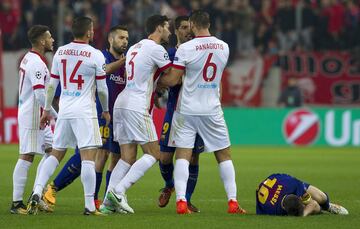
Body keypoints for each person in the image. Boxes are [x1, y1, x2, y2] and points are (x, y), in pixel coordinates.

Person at [159, 10, 246, 214]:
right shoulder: (224, 47)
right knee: (223, 154)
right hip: (212, 109)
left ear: (192, 24)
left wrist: (155, 83)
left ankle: (181, 201)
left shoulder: (186, 48)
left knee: (182, 154)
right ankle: (232, 202)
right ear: (209, 24)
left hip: (187, 109)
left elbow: (173, 79)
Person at [27, 16, 110, 216]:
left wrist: (47, 109)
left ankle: (37, 191)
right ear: (89, 32)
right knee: (89, 157)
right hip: (85, 112)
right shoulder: (95, 55)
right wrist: (106, 110)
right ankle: (90, 206)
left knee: (56, 154)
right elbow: (102, 90)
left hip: (65, 109)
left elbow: (52, 85)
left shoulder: (60, 52)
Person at [43, 25, 129, 210]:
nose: (125, 41)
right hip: (97, 113)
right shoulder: (101, 56)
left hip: (119, 116)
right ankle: (55, 188)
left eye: (126, 38)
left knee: (115, 156)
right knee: (95, 155)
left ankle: (107, 200)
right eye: (121, 38)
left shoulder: (125, 62)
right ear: (111, 40)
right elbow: (104, 71)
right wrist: (123, 62)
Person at [101, 14, 172, 214]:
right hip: (136, 104)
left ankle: (107, 202)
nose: (169, 32)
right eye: (167, 27)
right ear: (159, 28)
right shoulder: (156, 49)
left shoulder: (135, 47)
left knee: (127, 157)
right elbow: (171, 75)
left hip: (121, 103)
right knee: (154, 153)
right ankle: (119, 191)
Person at [157, 15, 204, 213]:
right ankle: (170, 184)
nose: (188, 31)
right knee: (165, 158)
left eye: (190, 27)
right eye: (184, 27)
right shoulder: (168, 53)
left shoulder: (199, 52)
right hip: (174, 111)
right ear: (176, 30)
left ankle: (187, 199)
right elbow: (162, 79)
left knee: (193, 158)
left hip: (197, 112)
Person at [10, 25, 57, 214]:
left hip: (38, 114)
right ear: (41, 41)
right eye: (50, 37)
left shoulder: (30, 57)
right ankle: (16, 203)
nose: (52, 40)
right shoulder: (37, 63)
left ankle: (35, 194)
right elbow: (39, 94)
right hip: (33, 115)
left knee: (53, 151)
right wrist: (54, 114)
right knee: (27, 156)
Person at [256, 173, 349, 216]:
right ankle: (323, 210)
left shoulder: (294, 185)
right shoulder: (272, 212)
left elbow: (314, 204)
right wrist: (304, 214)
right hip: (273, 183)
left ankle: (328, 206)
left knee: (321, 198)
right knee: (313, 207)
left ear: (298, 196)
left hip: (281, 181)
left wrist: (306, 206)